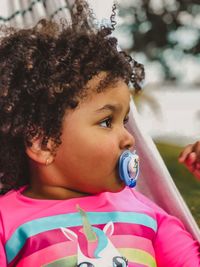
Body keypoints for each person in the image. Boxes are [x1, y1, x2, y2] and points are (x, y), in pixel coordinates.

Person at [0, 0, 199, 266]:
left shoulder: (149, 214)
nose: (129, 138)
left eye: (125, 121)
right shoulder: (7, 223)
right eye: (107, 121)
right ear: (43, 142)